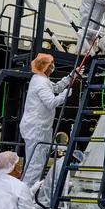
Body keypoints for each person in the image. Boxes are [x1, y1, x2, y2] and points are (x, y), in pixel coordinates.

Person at [19, 53, 71, 191]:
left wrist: (70, 77)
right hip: (36, 128)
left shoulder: (41, 79)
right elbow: (51, 102)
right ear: (46, 66)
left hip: (38, 127)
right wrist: (65, 95)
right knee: (35, 165)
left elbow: (55, 88)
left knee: (34, 163)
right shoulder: (41, 83)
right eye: (51, 64)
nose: (53, 66)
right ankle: (26, 195)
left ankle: (26, 192)